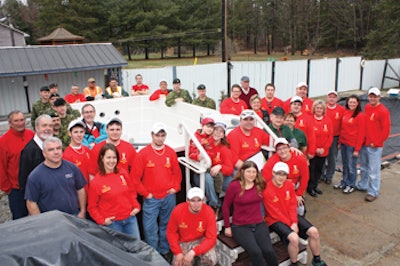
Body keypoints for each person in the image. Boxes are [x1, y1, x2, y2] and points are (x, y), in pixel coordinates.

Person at [132, 122, 182, 258]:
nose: (160, 138)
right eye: (157, 135)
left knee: (167, 225)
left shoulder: (170, 152)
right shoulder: (143, 154)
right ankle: (153, 254)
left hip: (168, 196)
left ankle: (165, 251)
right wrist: (145, 193)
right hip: (151, 198)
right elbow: (135, 178)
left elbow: (177, 173)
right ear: (152, 135)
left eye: (162, 135)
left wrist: (175, 187)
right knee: (149, 228)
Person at [263, 161, 327, 266]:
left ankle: (317, 259)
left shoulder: (288, 185)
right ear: (273, 173)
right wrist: (291, 224)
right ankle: (294, 263)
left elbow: (292, 205)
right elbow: (274, 213)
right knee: (294, 238)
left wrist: (294, 222)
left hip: (289, 216)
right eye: (279, 173)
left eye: (284, 174)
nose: (281, 177)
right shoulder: (267, 189)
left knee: (314, 232)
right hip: (275, 220)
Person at [223, 161, 278, 266]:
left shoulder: (260, 184)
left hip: (258, 223)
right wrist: (227, 226)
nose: (251, 174)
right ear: (242, 171)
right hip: (240, 226)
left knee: (268, 251)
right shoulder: (234, 186)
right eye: (249, 171)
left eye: (254, 172)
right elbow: (225, 206)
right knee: (255, 252)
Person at [88, 143, 141, 238]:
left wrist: (136, 206)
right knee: (118, 251)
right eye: (108, 157)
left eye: (114, 158)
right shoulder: (96, 182)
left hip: (130, 218)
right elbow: (92, 207)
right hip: (113, 223)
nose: (111, 161)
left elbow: (131, 192)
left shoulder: (122, 173)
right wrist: (102, 221)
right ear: (102, 158)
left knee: (136, 248)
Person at [25, 137, 87, 217]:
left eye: (58, 148)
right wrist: (40, 222)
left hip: (74, 216)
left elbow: (80, 189)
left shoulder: (72, 168)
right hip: (51, 221)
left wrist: (82, 211)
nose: (56, 152)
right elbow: (31, 202)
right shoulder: (35, 176)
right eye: (51, 150)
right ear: (44, 153)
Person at [166, 187, 218, 266]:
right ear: (187, 201)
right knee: (179, 263)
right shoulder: (178, 210)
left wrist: (193, 252)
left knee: (210, 259)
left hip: (201, 240)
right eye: (193, 200)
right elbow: (171, 232)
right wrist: (178, 252)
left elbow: (211, 238)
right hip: (184, 242)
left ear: (203, 200)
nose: (196, 204)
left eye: (199, 200)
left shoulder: (209, 212)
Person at [192, 121, 234, 211]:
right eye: (216, 129)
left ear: (223, 135)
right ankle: (215, 205)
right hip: (200, 174)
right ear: (212, 131)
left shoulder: (224, 149)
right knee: (207, 178)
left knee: (233, 184)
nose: (218, 133)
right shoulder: (204, 143)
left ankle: (228, 206)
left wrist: (220, 166)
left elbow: (230, 169)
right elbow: (192, 152)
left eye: (221, 131)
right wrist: (197, 156)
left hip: (217, 177)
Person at [358, 87, 390, 202]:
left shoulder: (383, 111)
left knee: (373, 170)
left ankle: (373, 191)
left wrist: (377, 142)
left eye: (374, 96)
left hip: (374, 146)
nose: (372, 98)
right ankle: (363, 185)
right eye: (370, 96)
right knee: (364, 167)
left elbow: (386, 130)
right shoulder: (367, 107)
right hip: (365, 143)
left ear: (379, 97)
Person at [0, 111, 34, 219]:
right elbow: (1, 167)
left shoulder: (31, 135)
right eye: (16, 120)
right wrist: (7, 188)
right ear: (10, 123)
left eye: (22, 120)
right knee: (20, 220)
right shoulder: (3, 142)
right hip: (16, 189)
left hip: (34, 185)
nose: (20, 123)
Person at [262, 138, 309, 214]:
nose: (282, 151)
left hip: (295, 187)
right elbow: (266, 179)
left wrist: (299, 194)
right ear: (276, 151)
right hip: (278, 187)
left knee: (300, 209)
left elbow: (305, 177)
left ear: (289, 148)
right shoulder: (272, 161)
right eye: (279, 149)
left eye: (284, 148)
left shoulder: (299, 157)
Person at [335, 95, 366, 193]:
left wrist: (357, 149)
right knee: (345, 164)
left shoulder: (360, 116)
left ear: (358, 104)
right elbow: (342, 129)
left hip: (352, 145)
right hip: (344, 143)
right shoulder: (346, 112)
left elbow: (361, 133)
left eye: (354, 102)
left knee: (351, 166)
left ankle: (351, 184)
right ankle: (344, 181)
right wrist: (340, 141)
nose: (352, 104)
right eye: (350, 102)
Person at [19, 115, 53, 195]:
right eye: (44, 125)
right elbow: (24, 181)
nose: (48, 128)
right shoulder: (29, 151)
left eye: (50, 126)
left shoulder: (55, 145)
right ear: (36, 127)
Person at [307, 100, 333, 197]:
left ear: (323, 110)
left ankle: (315, 186)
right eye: (317, 108)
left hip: (323, 151)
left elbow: (330, 136)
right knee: (311, 170)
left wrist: (324, 148)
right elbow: (308, 136)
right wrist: (315, 148)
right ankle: (310, 187)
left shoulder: (328, 120)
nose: (319, 110)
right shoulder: (309, 120)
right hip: (312, 151)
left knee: (319, 170)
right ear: (314, 109)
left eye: (321, 108)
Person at [323, 90, 345, 184]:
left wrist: (340, 140)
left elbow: (343, 125)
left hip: (335, 137)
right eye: (330, 97)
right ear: (327, 98)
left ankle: (329, 176)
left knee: (332, 157)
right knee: (322, 156)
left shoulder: (341, 109)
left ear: (336, 99)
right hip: (323, 136)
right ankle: (321, 174)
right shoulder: (323, 107)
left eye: (334, 97)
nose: (332, 99)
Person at [63, 119, 91, 189]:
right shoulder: (67, 154)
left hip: (90, 189)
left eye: (81, 132)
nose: (79, 135)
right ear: (69, 133)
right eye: (75, 132)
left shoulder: (87, 150)